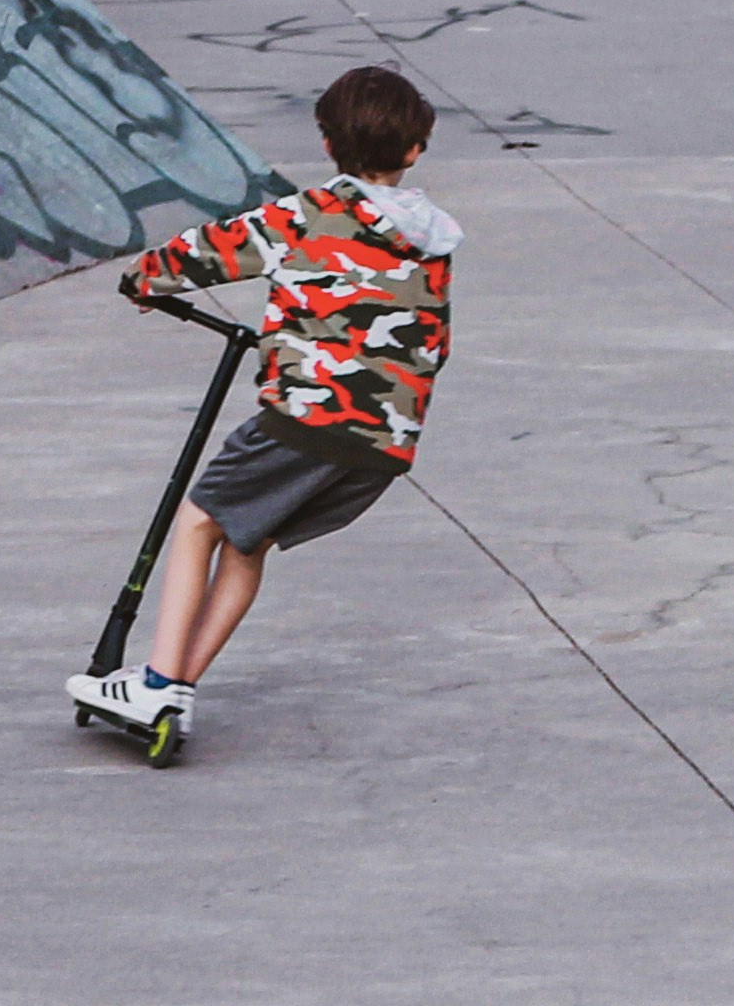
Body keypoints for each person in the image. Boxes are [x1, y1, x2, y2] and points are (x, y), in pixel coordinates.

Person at [72, 67, 462, 758]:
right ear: (415, 150)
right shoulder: (432, 241)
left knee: (197, 521)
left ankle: (159, 681)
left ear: (325, 140)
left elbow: (208, 253)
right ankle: (175, 687)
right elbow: (434, 339)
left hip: (309, 417)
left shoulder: (308, 213)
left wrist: (143, 279)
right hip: (386, 442)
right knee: (246, 543)